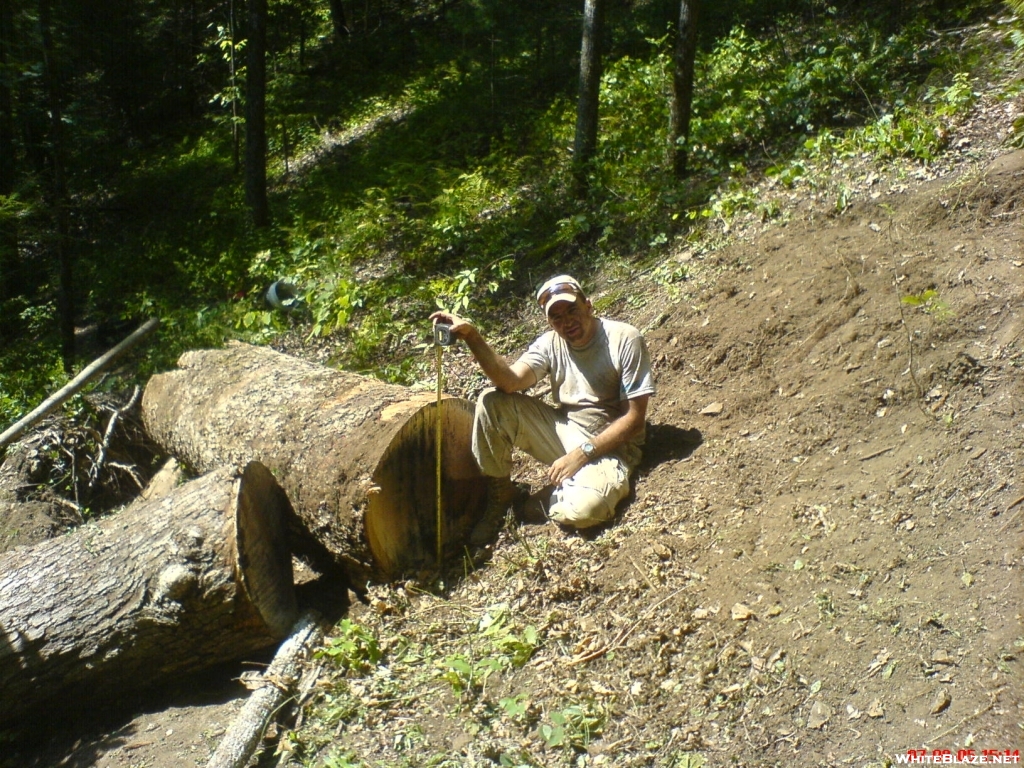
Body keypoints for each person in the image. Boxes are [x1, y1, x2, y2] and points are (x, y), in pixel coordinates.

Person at [430, 274, 655, 542]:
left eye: (572, 309)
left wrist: (582, 455)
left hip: (614, 447)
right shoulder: (550, 343)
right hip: (565, 431)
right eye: (556, 316)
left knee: (588, 511)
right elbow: (510, 382)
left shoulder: (624, 338)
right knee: (493, 402)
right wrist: (472, 337)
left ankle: (540, 502)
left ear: (588, 305)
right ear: (549, 321)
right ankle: (501, 497)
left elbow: (634, 418)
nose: (567, 321)